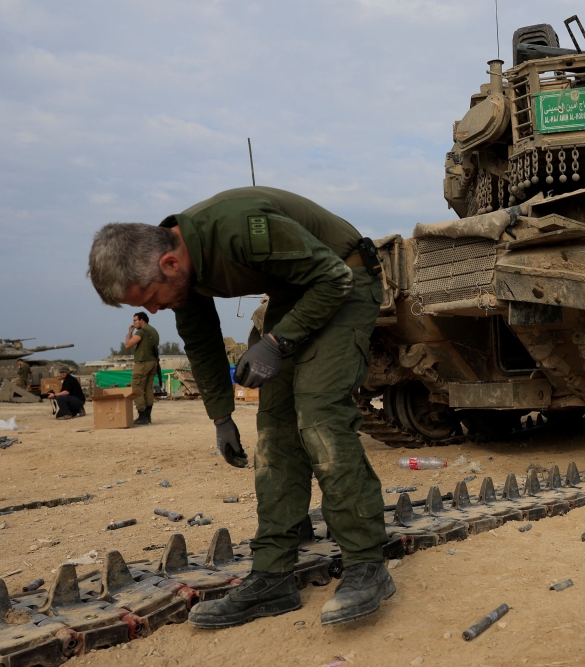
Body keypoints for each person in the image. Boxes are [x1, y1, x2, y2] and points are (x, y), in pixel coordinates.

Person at [87, 186, 392, 629]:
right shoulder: (178, 274)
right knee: (275, 431)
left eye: (149, 297)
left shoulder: (241, 230)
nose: (154, 308)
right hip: (296, 295)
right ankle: (272, 577)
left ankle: (367, 564)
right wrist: (220, 416)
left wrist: (276, 341)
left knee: (318, 414)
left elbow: (334, 279)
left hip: (344, 278)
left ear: (169, 263)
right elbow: (203, 342)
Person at [124, 312, 160, 425]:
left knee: (136, 388)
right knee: (148, 389)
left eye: (135, 320)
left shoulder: (141, 332)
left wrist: (130, 332)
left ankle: (142, 416)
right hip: (153, 362)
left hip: (143, 363)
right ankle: (147, 416)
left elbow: (128, 345)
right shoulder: (153, 331)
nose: (133, 323)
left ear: (142, 320)